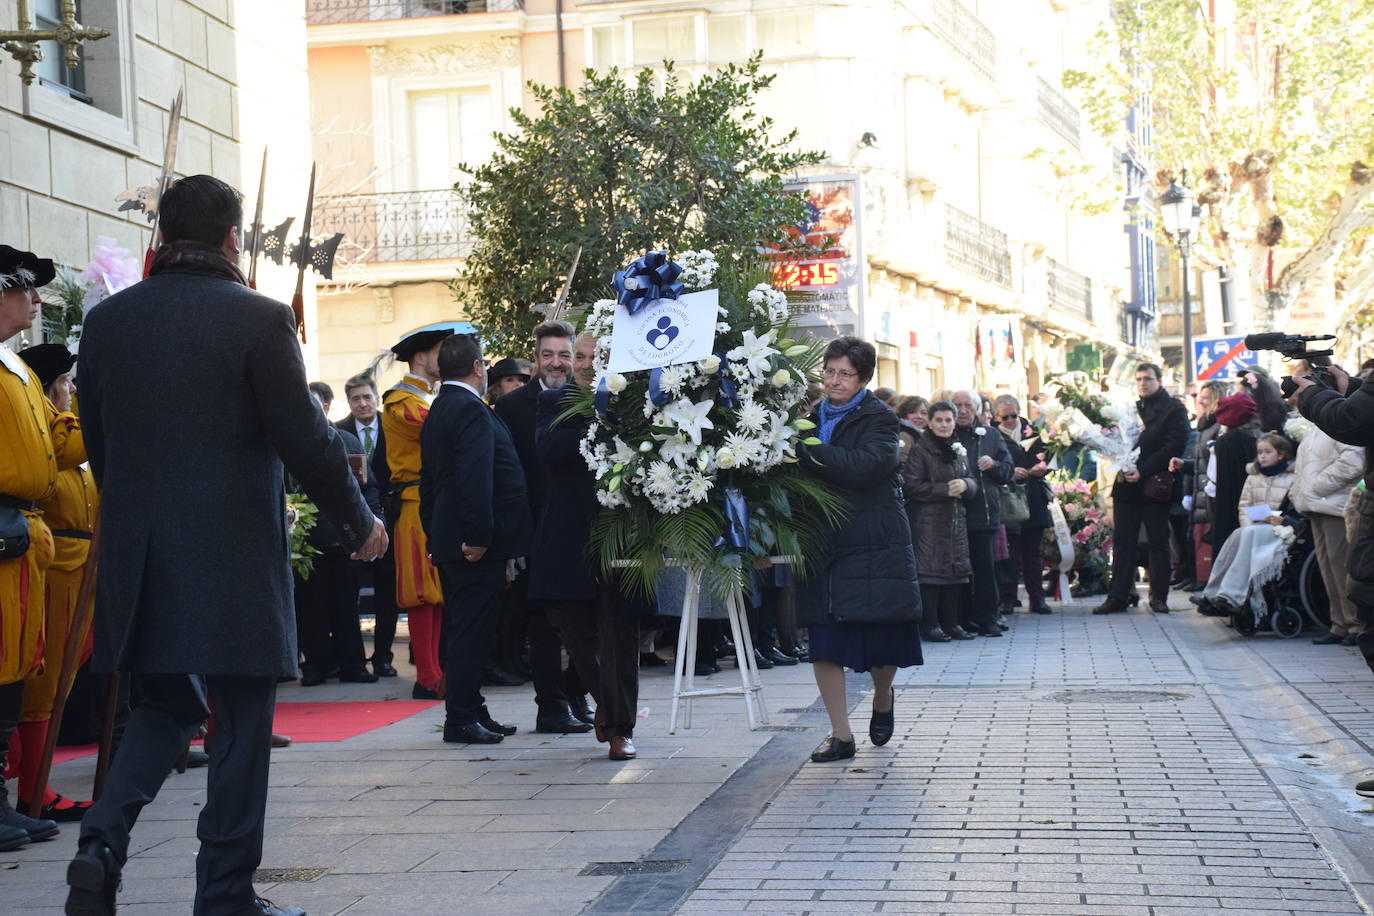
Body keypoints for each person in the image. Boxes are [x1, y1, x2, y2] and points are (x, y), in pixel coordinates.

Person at [68, 175, 387, 916]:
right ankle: (224, 894)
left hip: (141, 555)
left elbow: (100, 446)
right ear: (232, 238)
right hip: (234, 554)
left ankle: (100, 843)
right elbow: (305, 439)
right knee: (241, 723)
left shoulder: (108, 324)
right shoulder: (259, 318)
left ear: (162, 237)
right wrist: (359, 522)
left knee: (163, 708)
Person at [798, 337, 922, 763]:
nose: (834, 381)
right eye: (829, 371)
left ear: (865, 379)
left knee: (882, 642)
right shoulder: (808, 417)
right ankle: (841, 735)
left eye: (844, 374)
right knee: (824, 639)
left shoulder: (881, 419)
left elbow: (868, 466)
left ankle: (883, 695)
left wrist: (808, 453)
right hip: (823, 542)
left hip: (873, 542)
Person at [530, 332, 645, 759]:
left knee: (620, 635)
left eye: (590, 357)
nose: (580, 364)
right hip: (568, 537)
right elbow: (550, 451)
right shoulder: (554, 403)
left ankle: (621, 728)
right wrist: (593, 413)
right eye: (577, 356)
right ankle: (606, 703)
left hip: (621, 534)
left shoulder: (633, 405)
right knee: (572, 630)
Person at [421, 333, 532, 745]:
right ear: (477, 368)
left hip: (453, 541)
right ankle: (462, 717)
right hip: (473, 546)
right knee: (471, 631)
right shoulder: (467, 409)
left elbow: (430, 482)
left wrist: (435, 534)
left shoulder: (440, 408)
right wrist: (479, 537)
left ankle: (471, 707)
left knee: (468, 629)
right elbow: (474, 477)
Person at [0, 246, 73, 854]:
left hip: (23, 536)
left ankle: (1, 801)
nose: (37, 300)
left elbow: (57, 441)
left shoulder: (17, 370)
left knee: (17, 671)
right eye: (26, 289)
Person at [492, 321, 589, 729]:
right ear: (536, 358)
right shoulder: (512, 408)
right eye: (548, 355)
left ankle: (576, 692)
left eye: (564, 355)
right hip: (533, 529)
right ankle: (550, 707)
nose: (557, 363)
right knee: (544, 622)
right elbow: (503, 475)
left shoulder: (586, 400)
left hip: (582, 526)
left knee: (586, 618)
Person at [12, 344, 95, 822]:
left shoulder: (64, 430)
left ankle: (34, 782)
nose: (70, 391)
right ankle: (32, 789)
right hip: (57, 566)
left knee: (66, 674)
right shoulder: (54, 436)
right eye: (65, 383)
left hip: (84, 567)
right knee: (45, 683)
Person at [381, 322, 456, 700]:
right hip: (413, 504)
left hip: (432, 502)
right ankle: (427, 675)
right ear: (422, 357)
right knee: (422, 593)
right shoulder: (400, 401)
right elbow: (437, 429)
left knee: (437, 593)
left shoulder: (428, 397)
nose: (446, 358)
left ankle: (436, 670)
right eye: (441, 351)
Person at [293, 392, 383, 686]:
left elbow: (366, 488)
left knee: (347, 605)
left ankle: (353, 664)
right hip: (308, 541)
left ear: (326, 408)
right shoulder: (291, 444)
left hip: (344, 539)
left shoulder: (347, 440)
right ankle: (316, 666)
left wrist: (370, 522)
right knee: (311, 607)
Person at [1092, 363, 1189, 615]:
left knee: (1158, 542)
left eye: (1148, 378)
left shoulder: (1174, 409)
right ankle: (1118, 596)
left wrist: (1142, 470)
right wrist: (1121, 463)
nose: (1143, 383)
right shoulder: (1130, 409)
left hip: (1154, 485)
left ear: (1159, 380)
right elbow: (1114, 439)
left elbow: (1173, 445)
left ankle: (1158, 597)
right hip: (1126, 484)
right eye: (1138, 380)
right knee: (1123, 543)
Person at [1288, 378, 1365, 646]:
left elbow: (1353, 460)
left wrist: (1319, 486)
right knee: (1326, 567)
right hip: (1315, 505)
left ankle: (1355, 624)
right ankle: (1339, 623)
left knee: (1342, 565)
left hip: (1335, 505)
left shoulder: (1337, 421)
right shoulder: (1313, 428)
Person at [1190, 433, 1296, 617]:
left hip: (1279, 528)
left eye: (1268, 452)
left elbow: (1295, 506)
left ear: (1281, 454)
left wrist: (1282, 519)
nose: (1262, 456)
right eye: (1260, 452)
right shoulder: (1253, 477)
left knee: (1247, 536)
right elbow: (1244, 506)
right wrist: (1248, 524)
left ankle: (1232, 595)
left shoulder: (1292, 478)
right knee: (1236, 538)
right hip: (1255, 526)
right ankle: (1213, 592)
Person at [336, 373, 398, 677]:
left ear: (376, 398)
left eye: (367, 397)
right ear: (349, 402)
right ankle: (354, 659)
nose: (362, 403)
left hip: (391, 519)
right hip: (351, 526)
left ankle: (383, 657)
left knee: (389, 592)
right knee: (348, 592)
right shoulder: (338, 432)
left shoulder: (393, 426)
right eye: (355, 398)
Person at [904, 400, 975, 641]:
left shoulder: (958, 447)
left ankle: (952, 623)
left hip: (955, 521)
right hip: (929, 522)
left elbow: (971, 478)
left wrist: (967, 485)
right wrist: (944, 490)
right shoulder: (921, 450)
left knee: (955, 575)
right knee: (932, 575)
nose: (944, 425)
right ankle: (931, 624)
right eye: (939, 420)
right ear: (930, 423)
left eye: (948, 420)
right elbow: (911, 486)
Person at [951, 389, 1013, 636]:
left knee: (985, 569)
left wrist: (994, 465)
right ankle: (962, 618)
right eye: (958, 405)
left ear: (977, 409)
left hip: (983, 514)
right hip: (953, 515)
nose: (963, 410)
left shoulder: (990, 434)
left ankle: (988, 617)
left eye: (968, 405)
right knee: (958, 571)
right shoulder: (944, 433)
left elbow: (1008, 471)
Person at [993, 395, 1053, 615]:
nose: (1010, 420)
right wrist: (1009, 473)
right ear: (996, 416)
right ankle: (1008, 598)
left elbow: (1051, 457)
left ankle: (1037, 598)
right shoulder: (991, 435)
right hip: (1007, 499)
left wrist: (1043, 468)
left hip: (1033, 497)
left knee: (1033, 552)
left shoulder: (1036, 432)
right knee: (1007, 552)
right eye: (1004, 417)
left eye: (1013, 415)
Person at [1170, 379, 1228, 588]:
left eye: (1206, 399)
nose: (1200, 402)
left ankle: (1203, 580)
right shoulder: (1204, 426)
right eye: (1199, 398)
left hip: (1210, 492)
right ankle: (1195, 577)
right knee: (1193, 539)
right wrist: (1184, 464)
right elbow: (1200, 463)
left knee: (1206, 541)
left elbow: (1210, 464)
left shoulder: (1219, 426)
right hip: (1199, 491)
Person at [1205, 394, 1262, 561]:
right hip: (1255, 499)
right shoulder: (1258, 439)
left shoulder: (1222, 443)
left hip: (1226, 499)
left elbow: (1213, 476)